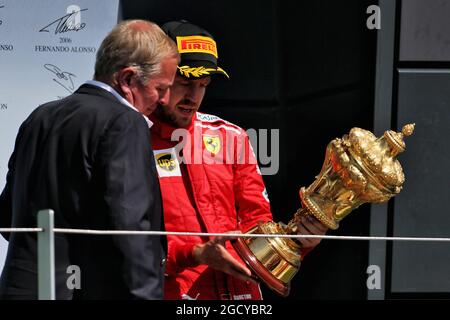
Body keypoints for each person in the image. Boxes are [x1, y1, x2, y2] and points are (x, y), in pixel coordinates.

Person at [0, 19, 179, 300]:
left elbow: (9, 216)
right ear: (128, 79)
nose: (166, 99)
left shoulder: (40, 116)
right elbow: (130, 227)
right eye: (161, 88)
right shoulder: (125, 122)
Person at [149, 20, 328, 300]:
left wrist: (298, 242)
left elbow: (257, 223)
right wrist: (195, 254)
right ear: (157, 76)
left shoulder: (231, 136)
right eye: (183, 83)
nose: (193, 97)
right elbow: (127, 240)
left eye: (203, 85)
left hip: (241, 296)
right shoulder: (130, 138)